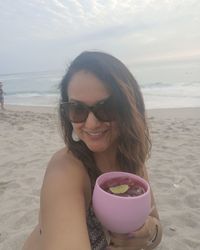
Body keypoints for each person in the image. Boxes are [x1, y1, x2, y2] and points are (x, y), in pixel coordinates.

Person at [23, 51, 162, 250]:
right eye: (77, 109)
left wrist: (149, 232)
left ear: (129, 107)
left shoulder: (129, 159)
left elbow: (156, 225)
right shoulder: (66, 169)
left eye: (106, 108)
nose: (91, 123)